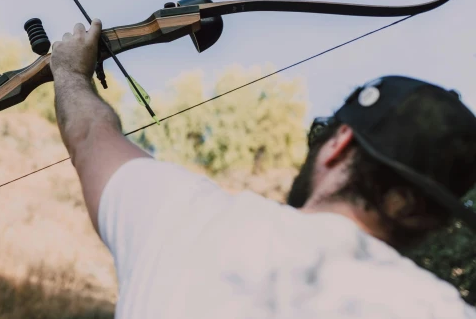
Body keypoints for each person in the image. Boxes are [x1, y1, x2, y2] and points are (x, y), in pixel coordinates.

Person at [50, 19, 476, 318]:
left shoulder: (187, 219)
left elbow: (89, 137)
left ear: (339, 145)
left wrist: (69, 69)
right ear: (436, 218)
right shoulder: (442, 310)